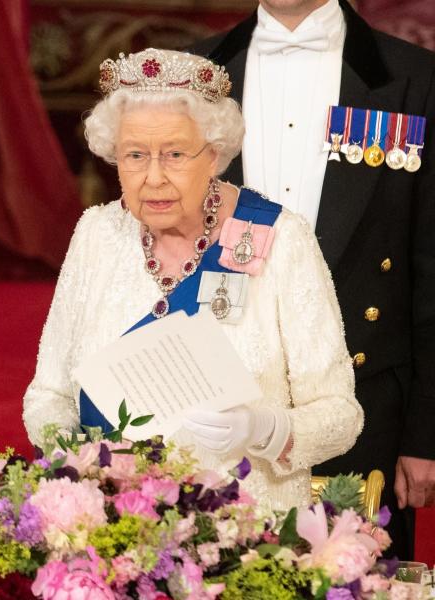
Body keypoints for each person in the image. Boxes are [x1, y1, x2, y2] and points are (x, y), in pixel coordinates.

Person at [22, 48, 363, 511]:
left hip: (247, 536)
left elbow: (340, 415)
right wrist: (74, 459)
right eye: (135, 155)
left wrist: (265, 428)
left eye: (176, 154)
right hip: (117, 530)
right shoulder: (96, 235)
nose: (154, 178)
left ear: (215, 156)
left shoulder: (281, 238)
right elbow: (49, 395)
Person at [190, 0, 435, 557]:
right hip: (215, 408)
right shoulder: (195, 71)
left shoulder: (415, 80)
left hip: (363, 405)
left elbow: (431, 267)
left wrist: (426, 432)